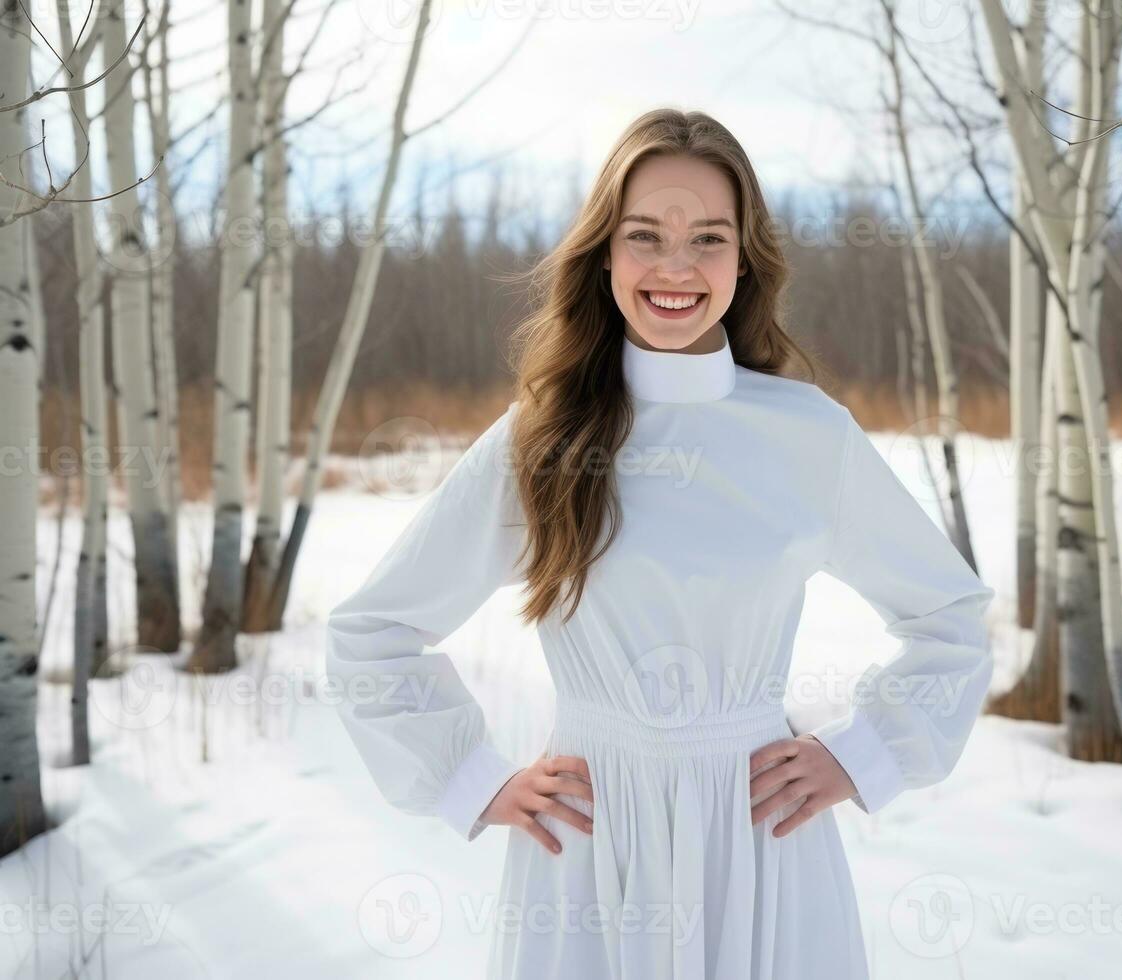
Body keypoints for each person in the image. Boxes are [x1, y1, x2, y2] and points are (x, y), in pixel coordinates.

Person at [325, 107, 996, 980]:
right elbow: (372, 632)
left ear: (743, 258)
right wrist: (472, 780)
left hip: (760, 836)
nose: (675, 268)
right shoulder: (543, 436)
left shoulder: (807, 436)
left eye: (708, 239)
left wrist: (862, 753)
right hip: (591, 838)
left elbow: (952, 617)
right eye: (645, 236)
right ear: (604, 252)